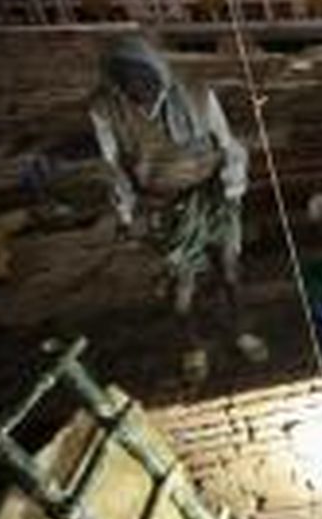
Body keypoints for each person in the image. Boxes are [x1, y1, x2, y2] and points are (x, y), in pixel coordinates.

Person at [89, 36, 267, 382]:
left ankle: (241, 331)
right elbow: (112, 168)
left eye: (145, 80)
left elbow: (228, 145)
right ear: (116, 83)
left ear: (159, 72)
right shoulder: (106, 108)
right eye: (127, 84)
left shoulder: (197, 94)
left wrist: (233, 190)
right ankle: (193, 346)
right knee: (181, 288)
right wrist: (125, 215)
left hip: (212, 196)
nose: (138, 91)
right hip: (164, 205)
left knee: (230, 271)